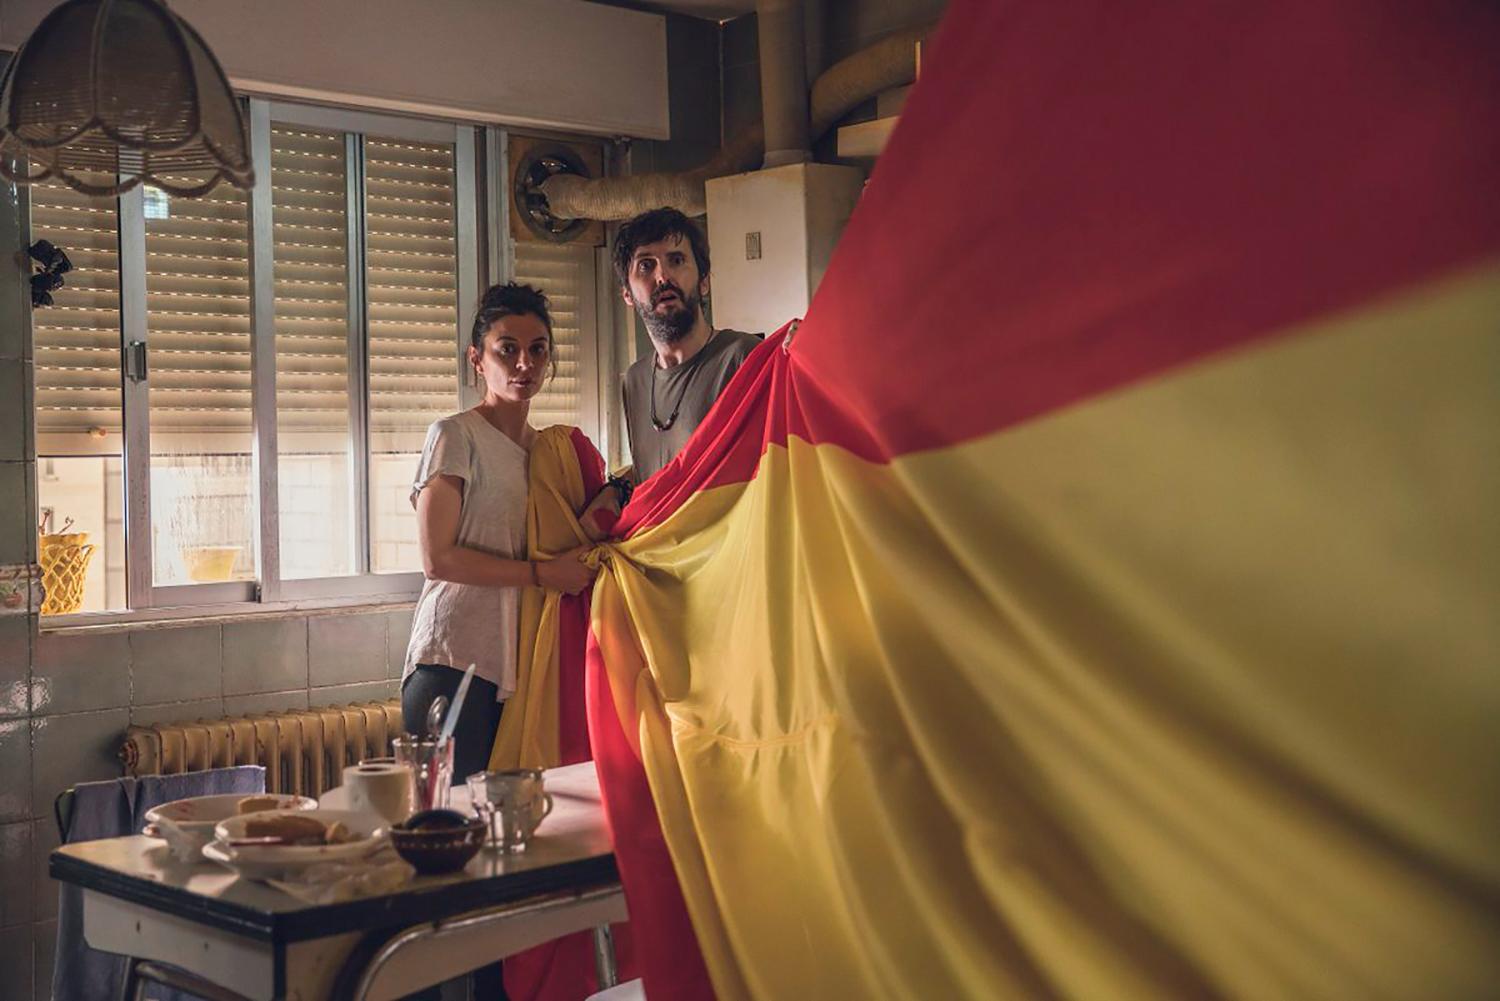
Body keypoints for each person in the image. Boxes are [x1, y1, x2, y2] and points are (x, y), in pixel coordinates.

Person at [401, 282, 596, 784]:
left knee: (516, 826)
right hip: (454, 655)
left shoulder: (551, 452)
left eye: (537, 350)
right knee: (451, 821)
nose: (523, 364)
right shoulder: (454, 435)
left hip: (526, 664)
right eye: (506, 349)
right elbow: (438, 559)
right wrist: (542, 573)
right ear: (477, 359)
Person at [615, 207, 761, 483]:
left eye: (677, 260)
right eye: (646, 265)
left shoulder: (744, 358)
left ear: (704, 281)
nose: (663, 277)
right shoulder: (635, 380)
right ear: (628, 294)